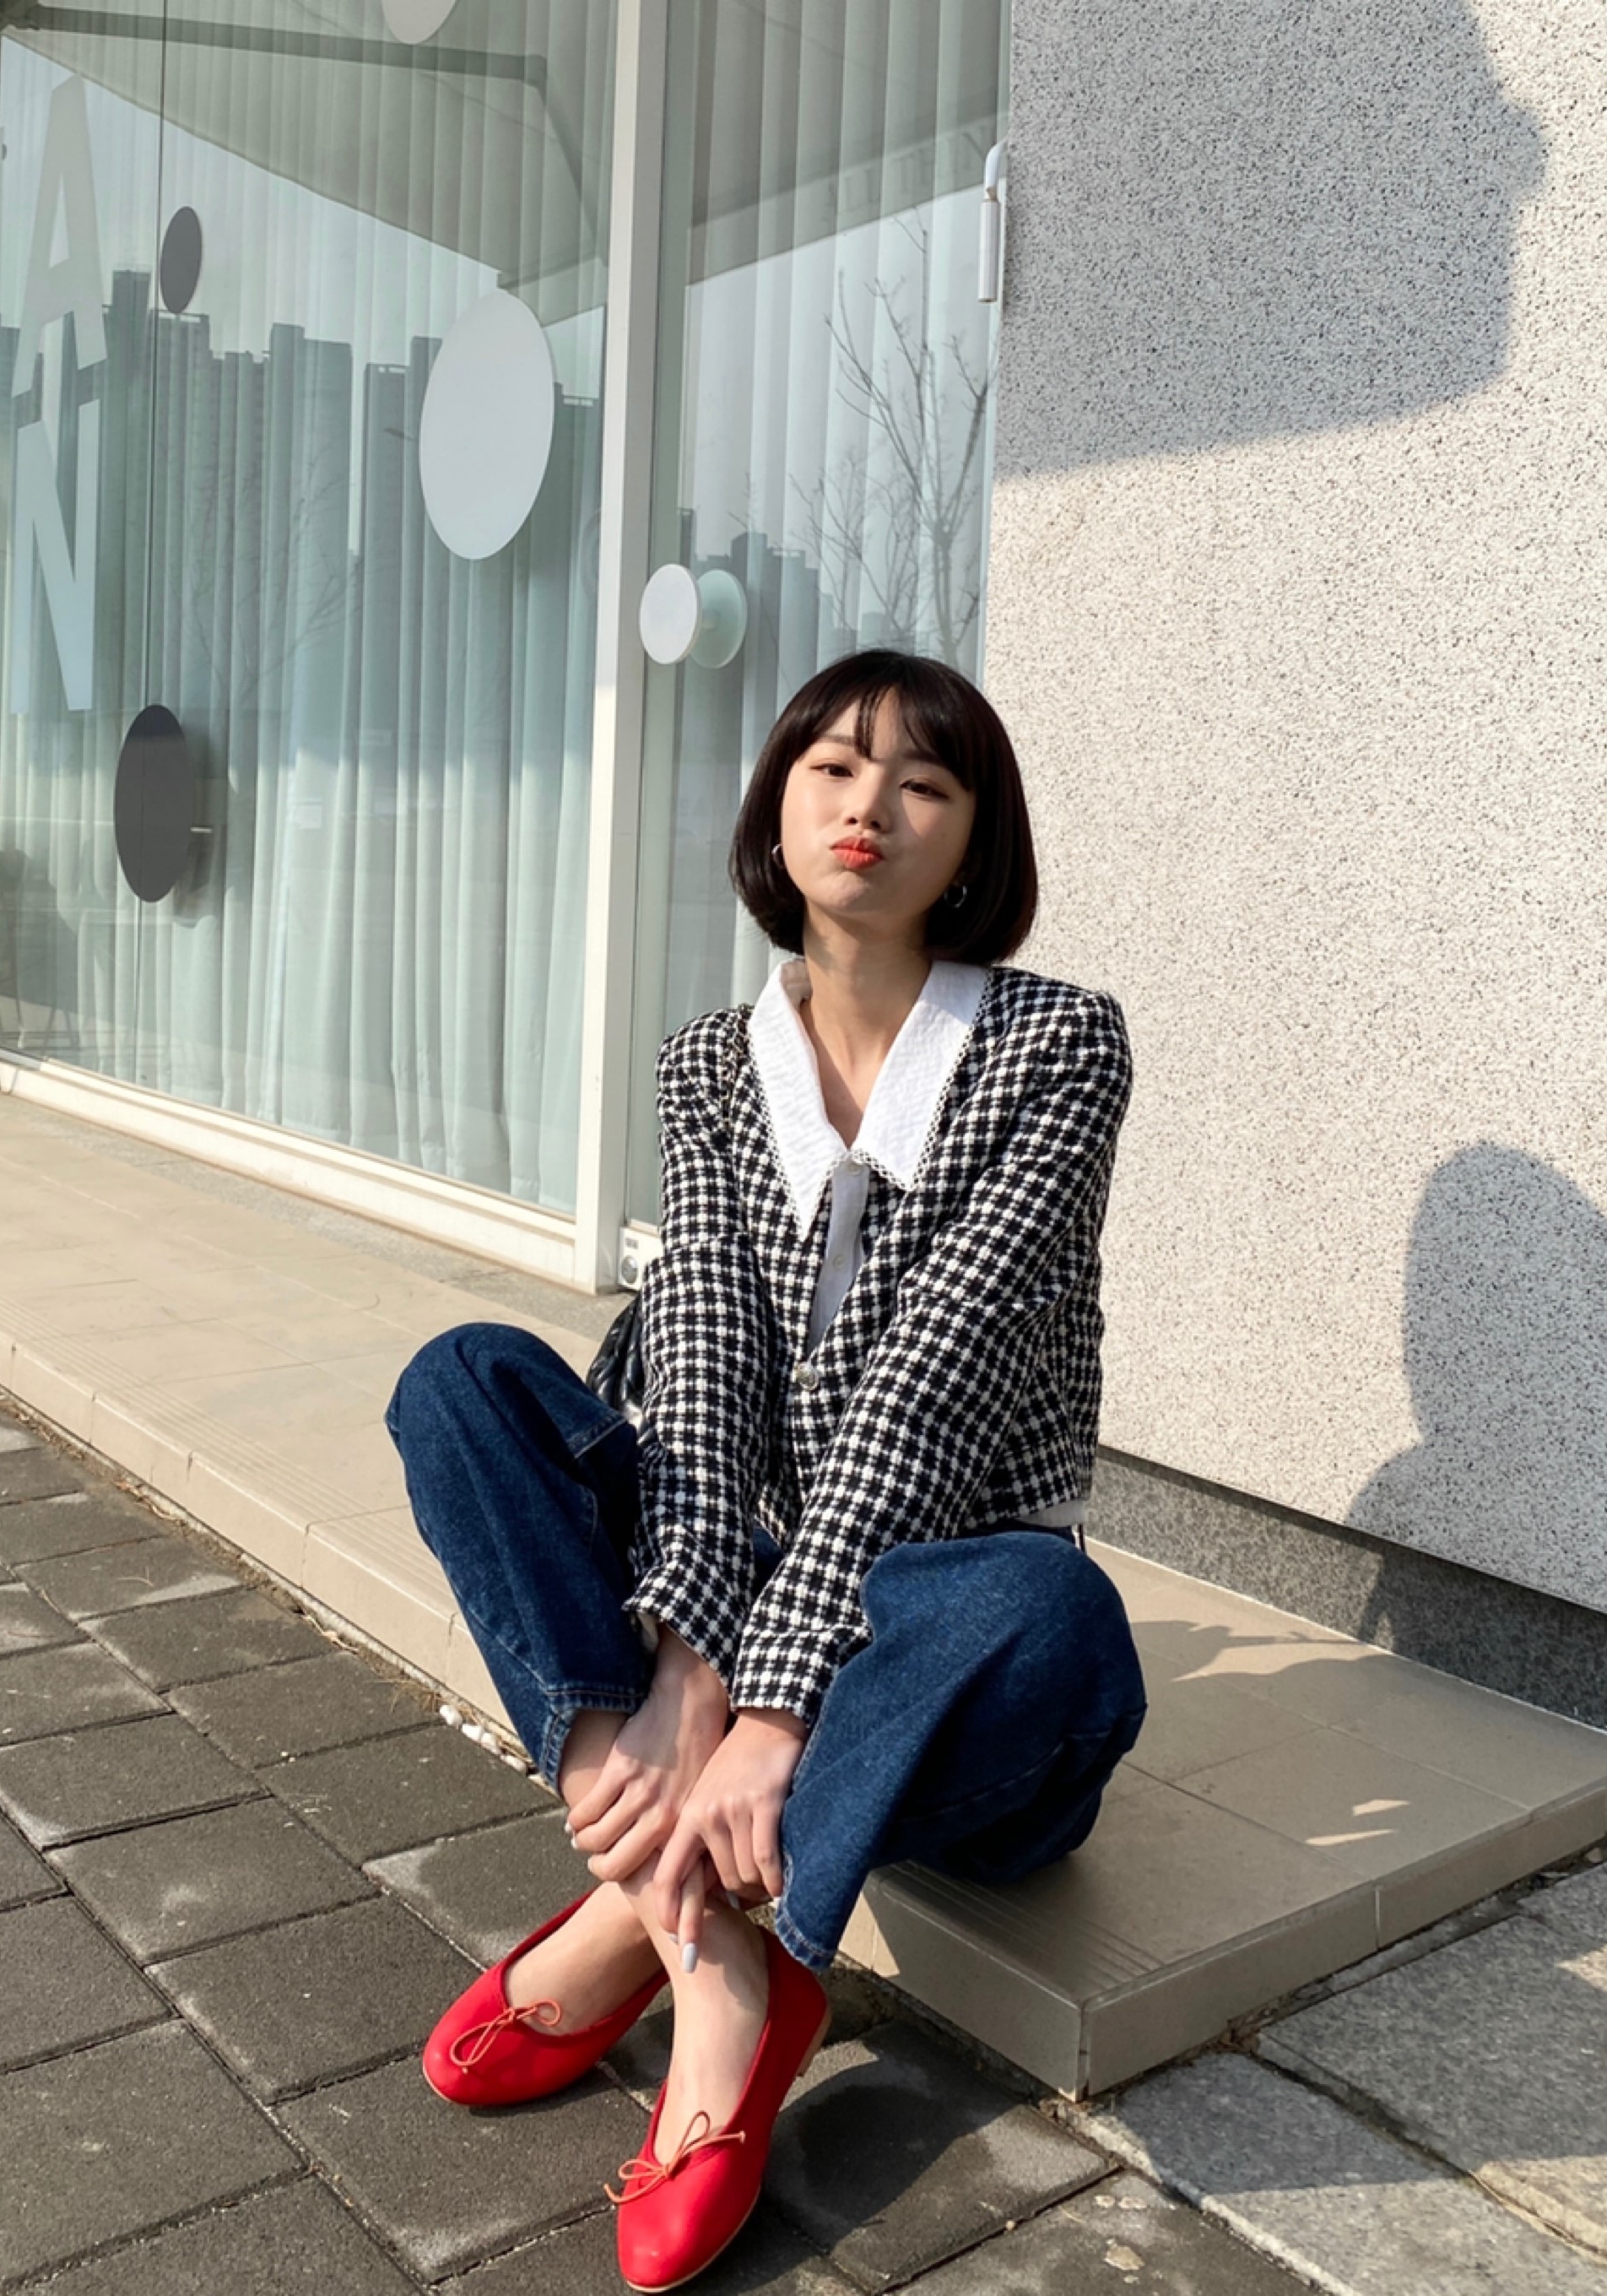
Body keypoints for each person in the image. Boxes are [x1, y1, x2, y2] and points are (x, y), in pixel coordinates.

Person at [386, 647, 1147, 2293]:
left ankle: (668, 1924)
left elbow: (934, 1392)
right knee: (463, 1384)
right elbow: (709, 1363)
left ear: (977, 839)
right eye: (834, 768)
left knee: (1056, 1615)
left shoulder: (1058, 1050)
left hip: (938, 1667)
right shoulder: (709, 1066)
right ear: (776, 809)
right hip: (735, 1630)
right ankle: (704, 1927)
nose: (873, 804)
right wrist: (685, 1661)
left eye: (925, 781)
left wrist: (777, 1705)